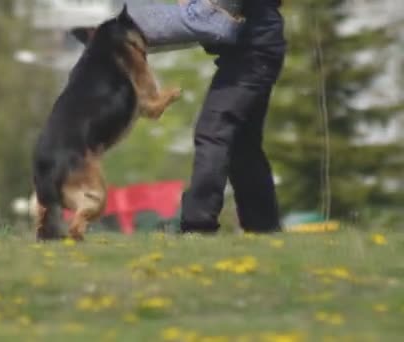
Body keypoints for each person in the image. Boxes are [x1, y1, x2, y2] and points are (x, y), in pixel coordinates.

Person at [73, 0, 286, 233]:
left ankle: (198, 224)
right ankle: (264, 227)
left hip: (253, 56)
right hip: (254, 53)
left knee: (213, 132)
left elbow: (203, 18)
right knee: (243, 144)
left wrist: (118, 33)